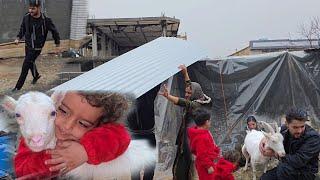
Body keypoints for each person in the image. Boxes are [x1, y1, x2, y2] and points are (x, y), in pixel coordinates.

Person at [14, 91, 131, 178]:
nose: (67, 126)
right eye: (63, 111)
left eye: (83, 124)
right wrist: (58, 157)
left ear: (97, 126)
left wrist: (86, 150)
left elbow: (122, 135)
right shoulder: (37, 135)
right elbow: (22, 170)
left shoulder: (93, 135)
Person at [159, 64, 212, 180]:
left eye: (189, 93)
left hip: (193, 141)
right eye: (186, 92)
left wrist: (168, 97)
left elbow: (184, 102)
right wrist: (185, 73)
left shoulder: (197, 105)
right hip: (187, 137)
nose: (186, 95)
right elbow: (190, 87)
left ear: (195, 94)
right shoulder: (198, 96)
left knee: (186, 166)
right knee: (181, 163)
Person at [12, 0, 61, 91]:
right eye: (30, 8)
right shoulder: (26, 17)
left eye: (33, 9)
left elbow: (55, 31)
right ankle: (36, 75)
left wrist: (57, 44)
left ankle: (17, 88)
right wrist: (18, 38)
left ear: (38, 8)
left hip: (36, 48)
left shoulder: (45, 21)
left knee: (25, 66)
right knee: (30, 62)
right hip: (28, 45)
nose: (30, 10)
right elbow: (22, 28)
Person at [260, 108, 320, 180]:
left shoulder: (313, 138)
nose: (299, 131)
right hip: (287, 167)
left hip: (305, 172)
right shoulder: (284, 130)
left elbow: (298, 161)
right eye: (295, 127)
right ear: (287, 124)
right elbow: (275, 134)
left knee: (283, 170)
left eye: (302, 126)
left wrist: (274, 154)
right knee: (264, 178)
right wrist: (264, 139)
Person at [187, 108, 236, 180]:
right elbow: (201, 154)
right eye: (209, 121)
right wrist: (208, 166)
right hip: (205, 165)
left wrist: (216, 151)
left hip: (210, 161)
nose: (210, 122)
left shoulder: (204, 132)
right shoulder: (201, 137)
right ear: (206, 122)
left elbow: (210, 145)